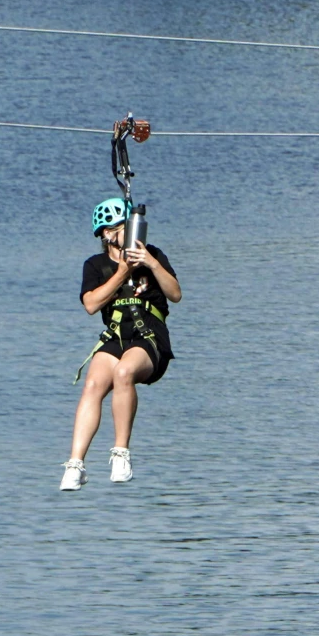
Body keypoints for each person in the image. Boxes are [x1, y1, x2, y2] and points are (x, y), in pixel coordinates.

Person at [63, 197, 181, 490]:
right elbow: (91, 304)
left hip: (149, 336)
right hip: (116, 336)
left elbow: (175, 294)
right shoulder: (95, 265)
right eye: (110, 232)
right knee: (92, 384)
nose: (115, 236)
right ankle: (75, 464)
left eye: (119, 229)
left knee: (124, 373)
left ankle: (121, 454)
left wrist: (150, 264)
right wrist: (122, 273)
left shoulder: (152, 255)